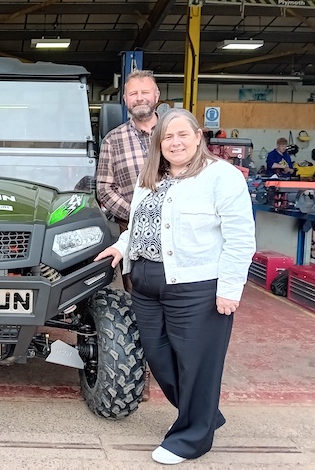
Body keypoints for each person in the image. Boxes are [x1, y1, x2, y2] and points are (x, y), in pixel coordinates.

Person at [94, 108, 256, 465]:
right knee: (160, 358)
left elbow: (241, 238)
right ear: (159, 143)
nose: (175, 142)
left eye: (183, 134)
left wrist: (230, 288)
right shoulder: (150, 177)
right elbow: (139, 225)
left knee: (197, 363)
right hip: (146, 282)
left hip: (196, 285)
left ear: (199, 137)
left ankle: (191, 439)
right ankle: (205, 415)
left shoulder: (221, 177)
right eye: (167, 136)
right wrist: (121, 248)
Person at [96, 69, 160, 292]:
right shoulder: (113, 140)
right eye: (133, 94)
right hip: (131, 228)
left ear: (157, 96)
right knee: (138, 291)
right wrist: (136, 211)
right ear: (125, 100)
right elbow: (104, 188)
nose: (139, 98)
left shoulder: (175, 135)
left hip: (179, 228)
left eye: (145, 92)